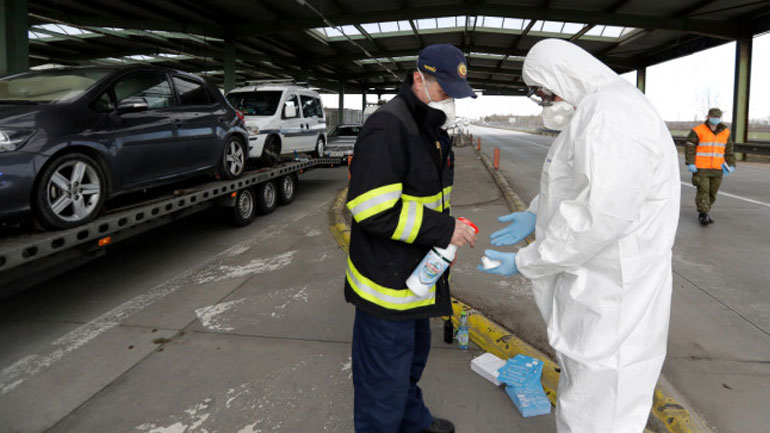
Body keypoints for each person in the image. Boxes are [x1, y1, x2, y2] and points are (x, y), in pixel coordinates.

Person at [478, 39, 681, 433]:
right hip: (595, 288)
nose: (546, 104)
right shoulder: (595, 110)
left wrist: (526, 260)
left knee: (601, 412)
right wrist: (535, 213)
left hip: (613, 297)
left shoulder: (614, 114)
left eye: (545, 93)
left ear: (562, 76)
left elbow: (599, 216)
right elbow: (577, 183)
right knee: (584, 398)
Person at [345, 43, 477, 433]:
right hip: (385, 285)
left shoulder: (432, 129)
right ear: (419, 78)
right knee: (382, 383)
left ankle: (413, 422)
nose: (450, 99)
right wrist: (444, 230)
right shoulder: (389, 126)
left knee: (410, 363)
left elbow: (430, 201)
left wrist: (444, 241)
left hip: (418, 275)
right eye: (444, 90)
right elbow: (371, 209)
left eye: (455, 93)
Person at [685, 107, 736, 225]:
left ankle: (706, 211)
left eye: (718, 117)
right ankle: (703, 214)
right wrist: (691, 162)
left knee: (713, 192)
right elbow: (690, 147)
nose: (716, 119)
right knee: (703, 190)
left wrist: (731, 164)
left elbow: (729, 150)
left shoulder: (726, 132)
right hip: (701, 167)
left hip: (718, 168)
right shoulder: (698, 130)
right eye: (714, 117)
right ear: (708, 117)